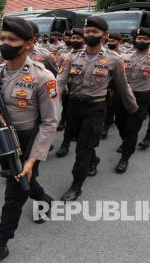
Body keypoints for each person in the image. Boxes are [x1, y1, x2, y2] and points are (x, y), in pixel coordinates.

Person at [0, 16, 58, 263]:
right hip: (2, 136)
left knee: (16, 191)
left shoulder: (44, 77)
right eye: (2, 38)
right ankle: (46, 200)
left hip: (28, 140)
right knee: (22, 181)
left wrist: (33, 159)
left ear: (29, 43)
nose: (5, 43)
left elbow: (50, 122)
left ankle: (1, 242)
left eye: (12, 39)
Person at [57, 16, 138, 201]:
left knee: (83, 149)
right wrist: (52, 100)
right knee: (79, 140)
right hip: (74, 106)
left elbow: (122, 86)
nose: (90, 35)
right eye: (87, 32)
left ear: (104, 35)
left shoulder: (114, 59)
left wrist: (131, 106)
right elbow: (60, 80)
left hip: (95, 108)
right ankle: (94, 160)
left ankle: (76, 185)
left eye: (94, 32)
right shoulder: (71, 56)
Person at [114, 28, 150, 173]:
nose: (141, 41)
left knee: (132, 128)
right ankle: (126, 141)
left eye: (145, 39)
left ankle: (125, 157)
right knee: (120, 123)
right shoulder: (124, 56)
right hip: (122, 95)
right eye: (139, 38)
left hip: (141, 96)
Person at [55, 28, 85, 157]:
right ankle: (65, 144)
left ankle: (91, 157)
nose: (73, 40)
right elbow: (60, 75)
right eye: (72, 38)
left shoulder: (91, 55)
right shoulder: (65, 55)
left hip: (93, 98)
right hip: (72, 92)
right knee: (70, 120)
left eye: (77, 38)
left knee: (86, 132)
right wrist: (54, 96)